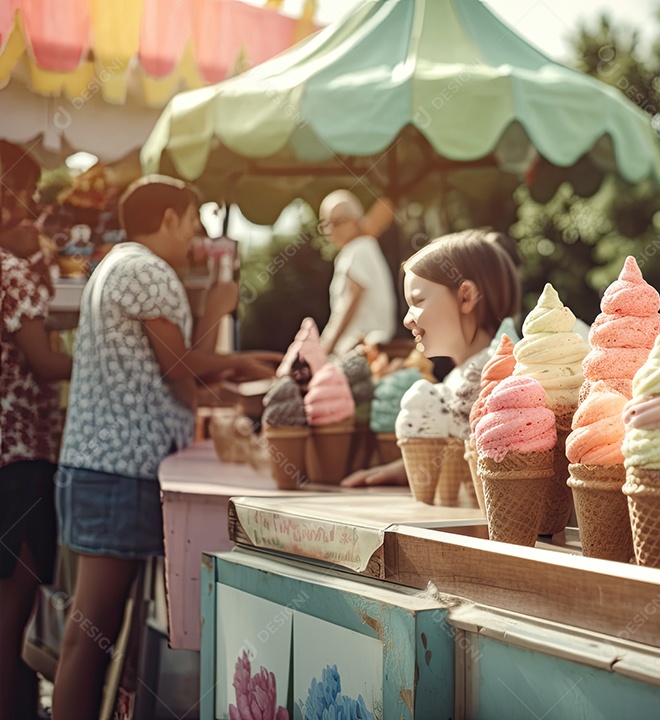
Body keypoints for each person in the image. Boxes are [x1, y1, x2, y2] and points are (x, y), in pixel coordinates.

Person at [52, 176, 280, 718]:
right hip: (119, 470)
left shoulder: (118, 263)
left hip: (105, 468)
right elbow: (181, 366)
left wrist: (238, 373)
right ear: (172, 217)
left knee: (105, 637)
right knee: (92, 634)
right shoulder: (147, 269)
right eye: (193, 218)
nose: (197, 233)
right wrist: (222, 317)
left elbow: (176, 379)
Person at [342, 229, 521, 487]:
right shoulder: (456, 379)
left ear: (466, 297)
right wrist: (398, 470)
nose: (407, 319)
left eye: (418, 300)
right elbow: (454, 453)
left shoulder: (502, 379)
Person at [0, 144, 72, 720]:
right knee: (13, 616)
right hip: (20, 459)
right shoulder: (11, 272)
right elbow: (46, 363)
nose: (34, 206)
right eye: (24, 193)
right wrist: (109, 357)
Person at [317, 191, 397, 356]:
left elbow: (349, 303)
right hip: (366, 348)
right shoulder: (364, 248)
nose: (331, 230)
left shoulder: (357, 249)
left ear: (356, 220)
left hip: (361, 350)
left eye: (337, 222)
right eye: (326, 224)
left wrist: (325, 347)